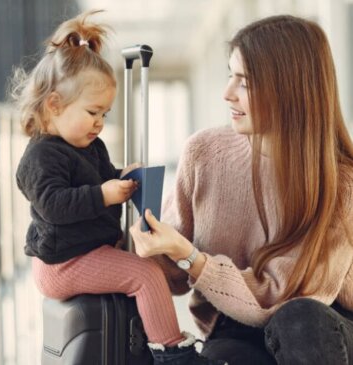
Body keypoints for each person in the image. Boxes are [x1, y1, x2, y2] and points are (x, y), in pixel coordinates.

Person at [130, 14, 353, 365]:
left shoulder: (340, 183)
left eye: (245, 82)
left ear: (288, 89)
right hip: (235, 324)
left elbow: (281, 299)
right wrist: (139, 224)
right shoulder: (204, 154)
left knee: (300, 323)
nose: (227, 93)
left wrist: (191, 257)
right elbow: (171, 275)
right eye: (229, 75)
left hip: (324, 322)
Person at [13, 10, 227, 365]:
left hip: (83, 250)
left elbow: (98, 175)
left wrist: (121, 175)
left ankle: (150, 344)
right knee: (145, 275)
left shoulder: (88, 144)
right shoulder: (40, 156)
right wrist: (103, 194)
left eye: (105, 115)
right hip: (62, 263)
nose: (99, 122)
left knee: (143, 264)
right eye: (92, 112)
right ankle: (172, 351)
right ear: (54, 105)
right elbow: (54, 204)